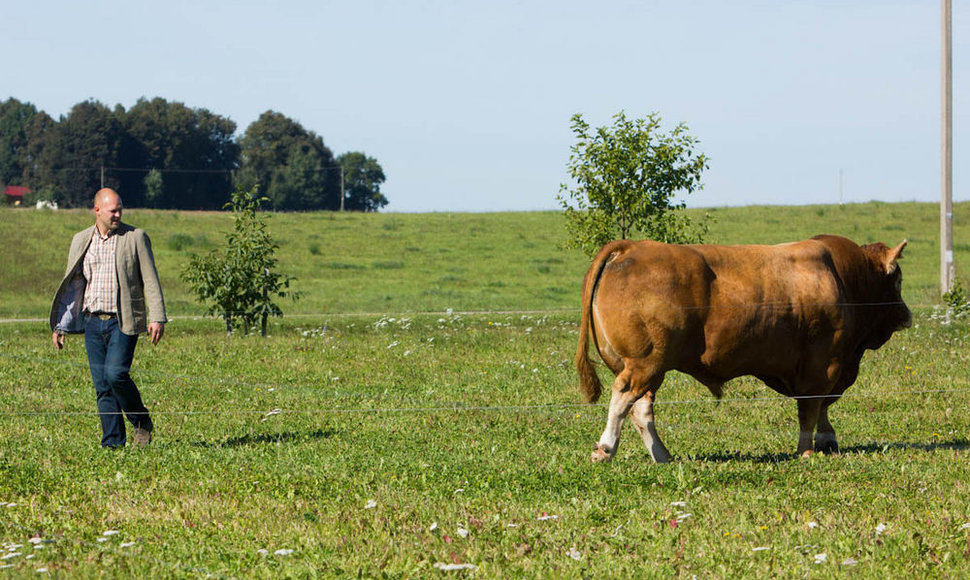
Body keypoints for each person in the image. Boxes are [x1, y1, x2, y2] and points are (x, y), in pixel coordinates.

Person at [49, 188, 167, 449]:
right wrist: (61, 324)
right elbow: (73, 286)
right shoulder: (81, 240)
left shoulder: (135, 237)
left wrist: (157, 317)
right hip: (92, 320)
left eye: (120, 209)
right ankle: (113, 444)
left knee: (115, 375)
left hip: (123, 320)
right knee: (102, 385)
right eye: (112, 210)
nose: (117, 214)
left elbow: (150, 278)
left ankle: (141, 421)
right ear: (97, 210)